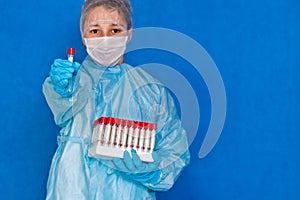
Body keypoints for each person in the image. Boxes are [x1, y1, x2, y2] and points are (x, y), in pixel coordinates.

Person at [42, 0, 190, 199]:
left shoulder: (151, 91)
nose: (104, 39)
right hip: (72, 188)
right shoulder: (72, 82)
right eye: (95, 31)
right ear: (83, 37)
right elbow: (61, 107)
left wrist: (149, 169)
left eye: (114, 30)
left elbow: (175, 154)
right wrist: (61, 87)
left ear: (129, 34)